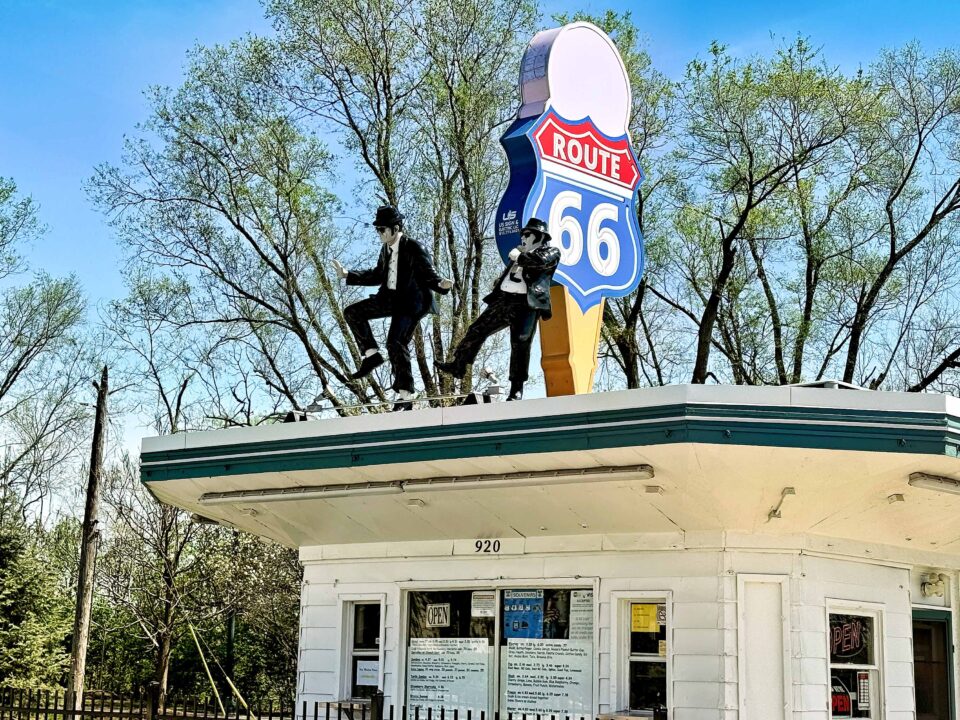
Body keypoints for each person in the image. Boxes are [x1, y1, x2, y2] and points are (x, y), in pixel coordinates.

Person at [333, 205, 453, 411]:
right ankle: (372, 355)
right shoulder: (386, 249)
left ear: (395, 228)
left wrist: (441, 284)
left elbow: (427, 273)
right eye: (377, 229)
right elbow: (378, 274)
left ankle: (406, 395)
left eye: (381, 230)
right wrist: (348, 275)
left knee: (395, 342)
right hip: (390, 298)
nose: (378, 234)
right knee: (353, 312)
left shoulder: (414, 247)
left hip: (412, 303)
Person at [435, 217, 560, 401]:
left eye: (527, 234)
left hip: (526, 304)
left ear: (539, 236)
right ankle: (458, 365)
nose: (523, 238)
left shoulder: (550, 251)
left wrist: (520, 256)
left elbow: (540, 262)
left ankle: (516, 389)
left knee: (520, 343)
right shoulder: (519, 253)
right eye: (522, 234)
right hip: (504, 301)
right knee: (477, 329)